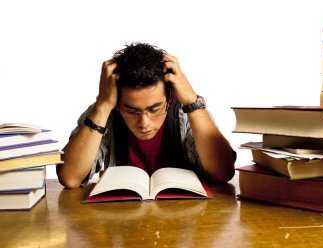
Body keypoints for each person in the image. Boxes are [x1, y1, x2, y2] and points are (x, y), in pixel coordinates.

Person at [57, 42, 236, 188]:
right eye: (131, 110)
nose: (144, 123)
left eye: (154, 109)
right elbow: (70, 178)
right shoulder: (103, 112)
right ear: (117, 103)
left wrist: (192, 102)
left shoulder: (187, 111)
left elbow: (223, 173)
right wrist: (103, 107)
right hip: (120, 222)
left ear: (170, 98)